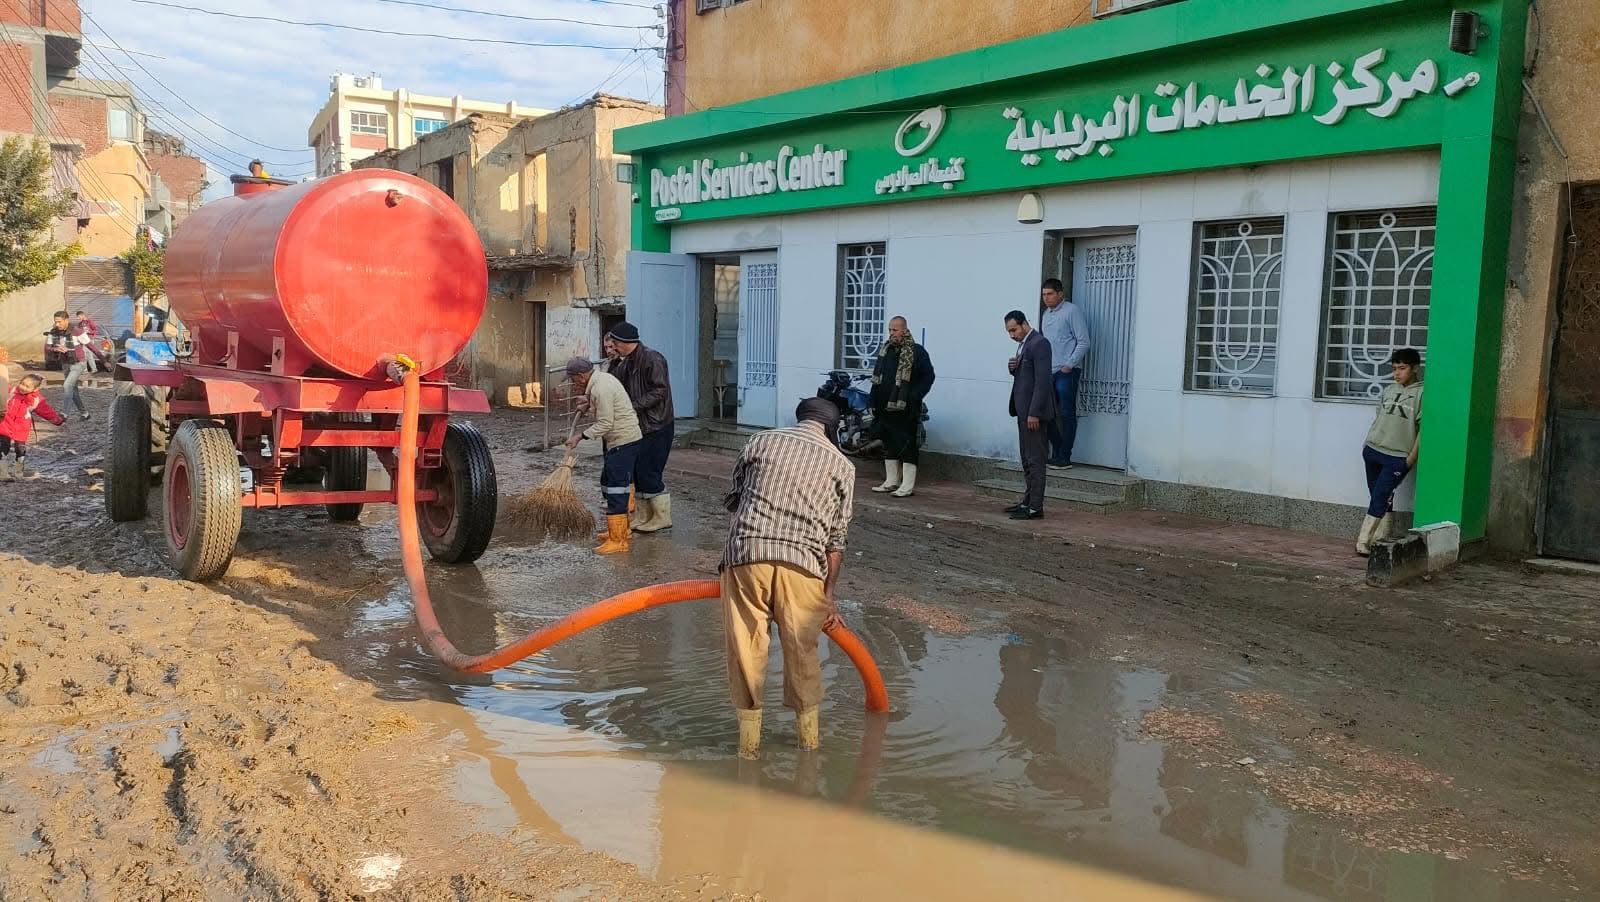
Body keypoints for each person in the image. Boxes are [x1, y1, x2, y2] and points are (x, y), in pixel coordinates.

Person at [720, 398, 855, 759]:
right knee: (802, 651)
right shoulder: (842, 464)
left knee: (747, 649)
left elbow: (735, 501)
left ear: (798, 419)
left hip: (747, 556)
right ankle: (808, 748)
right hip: (805, 565)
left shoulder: (760, 441)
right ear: (831, 429)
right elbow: (836, 542)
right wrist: (828, 597)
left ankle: (748, 751)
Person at [564, 357, 643, 555]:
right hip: (617, 440)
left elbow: (606, 423)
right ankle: (620, 529)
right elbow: (605, 409)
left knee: (616, 488)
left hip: (623, 440)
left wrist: (579, 437)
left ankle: (618, 541)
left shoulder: (601, 388)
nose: (573, 384)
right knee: (607, 482)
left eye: (573, 380)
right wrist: (588, 405)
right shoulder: (599, 382)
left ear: (581, 376)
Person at [605, 322, 676, 533]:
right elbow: (614, 383)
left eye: (615, 343)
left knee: (649, 471)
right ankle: (644, 516)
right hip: (640, 426)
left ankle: (662, 517)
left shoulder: (653, 359)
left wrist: (632, 406)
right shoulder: (626, 362)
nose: (613, 347)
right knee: (637, 471)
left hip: (657, 424)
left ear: (626, 342)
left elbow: (660, 391)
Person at [1357, 348, 1423, 555]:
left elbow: (1424, 429)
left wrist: (1411, 458)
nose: (1397, 373)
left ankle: (1363, 541)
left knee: (1380, 495)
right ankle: (1382, 538)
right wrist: (1367, 445)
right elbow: (1379, 418)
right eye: (1394, 369)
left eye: (1402, 368)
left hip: (1397, 457)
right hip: (1374, 450)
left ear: (1415, 368)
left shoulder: (1423, 394)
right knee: (1381, 496)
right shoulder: (1388, 390)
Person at [868, 316, 936, 498]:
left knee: (907, 446)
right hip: (885, 408)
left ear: (904, 330)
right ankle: (891, 481)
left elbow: (928, 377)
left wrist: (914, 396)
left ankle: (906, 486)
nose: (892, 334)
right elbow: (877, 380)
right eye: (890, 330)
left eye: (895, 330)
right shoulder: (886, 351)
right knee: (889, 444)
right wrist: (873, 401)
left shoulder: (916, 352)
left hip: (906, 409)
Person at [1005, 310, 1056, 520]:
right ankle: (1028, 501)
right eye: (1009, 331)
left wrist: (1034, 412)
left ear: (1025, 323)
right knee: (1026, 458)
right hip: (1022, 411)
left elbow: (1042, 382)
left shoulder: (1039, 343)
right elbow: (1026, 376)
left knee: (1035, 459)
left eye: (1014, 329)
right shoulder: (1025, 344)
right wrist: (1013, 368)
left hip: (1033, 414)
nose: (1012, 335)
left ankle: (1036, 506)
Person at [1038, 279, 1090, 470]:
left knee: (1067, 413)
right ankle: (1057, 451)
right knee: (1047, 413)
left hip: (1066, 372)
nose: (1046, 298)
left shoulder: (1071, 311)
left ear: (1060, 294)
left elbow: (1084, 341)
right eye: (1044, 294)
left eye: (1050, 294)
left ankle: (1065, 456)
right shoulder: (1046, 314)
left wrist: (1069, 365)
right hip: (1048, 371)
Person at [0, 374, 67, 480]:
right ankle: (3, 473)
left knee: (20, 449)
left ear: (35, 389)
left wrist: (58, 420)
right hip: (5, 423)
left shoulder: (36, 400)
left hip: (21, 427)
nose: (22, 387)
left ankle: (19, 473)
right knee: (3, 447)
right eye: (22, 383)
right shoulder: (10, 390)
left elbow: (47, 412)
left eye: (27, 386)